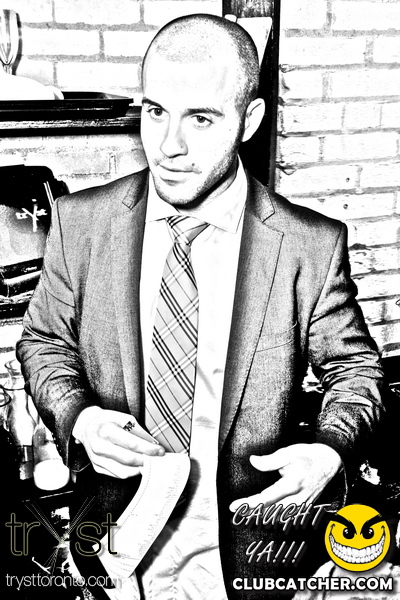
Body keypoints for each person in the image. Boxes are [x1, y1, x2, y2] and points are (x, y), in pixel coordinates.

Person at [17, 13, 384, 600]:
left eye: (201, 119)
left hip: (246, 554)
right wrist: (81, 419)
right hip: (114, 546)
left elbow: (355, 369)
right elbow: (44, 342)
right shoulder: (80, 223)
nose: (169, 147)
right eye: (155, 112)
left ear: (249, 121)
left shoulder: (309, 246)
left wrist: (329, 450)